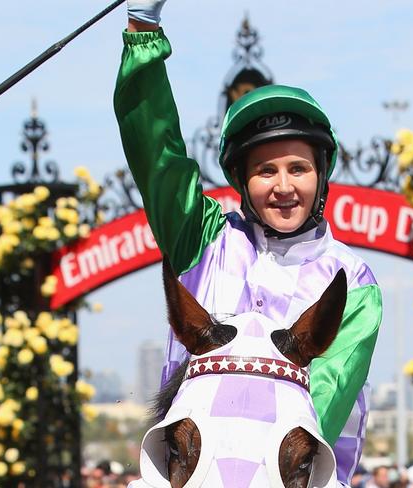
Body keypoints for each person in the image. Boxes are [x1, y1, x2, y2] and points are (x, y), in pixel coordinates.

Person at [114, 0, 383, 484]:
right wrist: (143, 28)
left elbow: (325, 393)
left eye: (298, 168)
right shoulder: (203, 237)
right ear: (241, 179)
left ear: (322, 177)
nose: (283, 186)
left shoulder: (354, 281)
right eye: (265, 170)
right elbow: (158, 155)